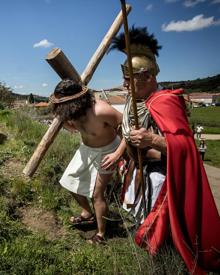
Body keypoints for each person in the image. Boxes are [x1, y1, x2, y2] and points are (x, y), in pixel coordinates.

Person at [110, 26, 220, 273]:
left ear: (148, 77)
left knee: (164, 230)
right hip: (140, 173)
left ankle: (166, 266)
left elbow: (185, 147)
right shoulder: (141, 102)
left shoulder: (165, 101)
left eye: (130, 79)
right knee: (145, 223)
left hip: (163, 177)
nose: (124, 84)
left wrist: (152, 139)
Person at [50, 79, 126, 244]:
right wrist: (66, 121)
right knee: (68, 181)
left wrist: (118, 154)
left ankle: (101, 234)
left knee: (97, 194)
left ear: (74, 101)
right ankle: (87, 213)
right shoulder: (72, 112)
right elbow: (73, 128)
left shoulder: (101, 110)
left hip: (108, 151)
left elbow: (129, 128)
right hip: (86, 149)